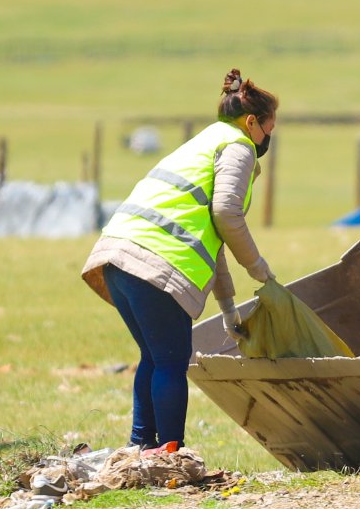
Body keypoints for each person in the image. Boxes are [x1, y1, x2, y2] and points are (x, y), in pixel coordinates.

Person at [81, 70, 283, 452]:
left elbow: (213, 238)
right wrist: (260, 270)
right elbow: (227, 214)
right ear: (251, 121)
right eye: (269, 129)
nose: (268, 138)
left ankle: (142, 448)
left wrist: (228, 309)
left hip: (117, 256)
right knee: (173, 362)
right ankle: (171, 453)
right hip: (157, 263)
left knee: (155, 358)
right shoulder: (237, 147)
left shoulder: (204, 141)